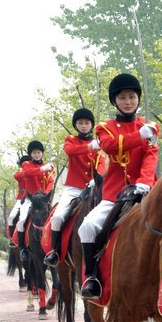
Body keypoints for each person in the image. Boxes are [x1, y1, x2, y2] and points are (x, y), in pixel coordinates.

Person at [78, 73, 159, 300]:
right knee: (87, 226)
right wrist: (138, 135)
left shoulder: (150, 127)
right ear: (115, 101)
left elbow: (151, 156)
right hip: (114, 195)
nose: (128, 101)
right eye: (122, 97)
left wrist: (144, 182)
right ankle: (91, 277)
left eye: (132, 96)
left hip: (145, 191)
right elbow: (111, 147)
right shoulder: (105, 128)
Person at [44, 108, 106, 267]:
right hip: (73, 189)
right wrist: (89, 147)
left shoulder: (98, 144)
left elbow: (100, 163)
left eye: (87, 123)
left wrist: (97, 177)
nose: (84, 125)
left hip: (93, 187)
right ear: (76, 125)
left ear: (91, 125)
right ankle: (55, 252)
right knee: (57, 217)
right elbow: (69, 151)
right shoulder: (71, 139)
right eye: (80, 123)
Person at [15, 140, 55, 261]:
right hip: (30, 199)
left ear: (41, 153)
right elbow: (27, 173)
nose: (36, 155)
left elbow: (51, 182)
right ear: (30, 154)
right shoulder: (27, 164)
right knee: (21, 220)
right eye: (34, 153)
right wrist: (42, 169)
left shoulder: (49, 167)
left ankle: (55, 248)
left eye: (38, 152)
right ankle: (23, 248)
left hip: (43, 199)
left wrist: (45, 194)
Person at [8, 154, 30, 247]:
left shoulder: (34, 172)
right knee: (11, 217)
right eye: (23, 164)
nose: (25, 165)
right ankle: (12, 238)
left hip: (34, 198)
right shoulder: (19, 174)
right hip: (21, 199)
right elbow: (18, 175)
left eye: (27, 163)